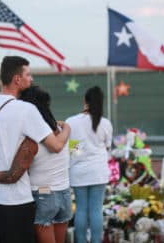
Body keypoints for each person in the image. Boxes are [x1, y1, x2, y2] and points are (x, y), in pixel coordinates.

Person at [0, 56, 70, 243]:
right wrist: (68, 127)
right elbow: (56, 145)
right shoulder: (26, 110)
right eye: (28, 74)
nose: (31, 79)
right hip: (14, 201)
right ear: (17, 79)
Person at [19, 86, 72, 243]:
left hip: (43, 194)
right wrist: (68, 127)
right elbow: (75, 153)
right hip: (65, 193)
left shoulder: (32, 135)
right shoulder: (63, 129)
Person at [65, 86, 113, 243]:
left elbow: (74, 151)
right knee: (96, 210)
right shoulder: (105, 123)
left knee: (81, 210)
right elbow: (107, 147)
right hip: (98, 171)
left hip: (78, 172)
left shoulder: (72, 122)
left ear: (84, 101)